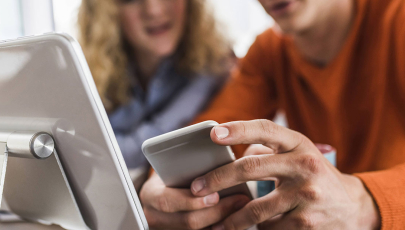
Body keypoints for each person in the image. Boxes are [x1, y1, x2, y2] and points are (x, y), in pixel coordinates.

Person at [140, 0, 405, 229]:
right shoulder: (269, 51)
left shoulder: (396, 20)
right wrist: (163, 186)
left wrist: (365, 203)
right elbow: (208, 131)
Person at [77, 0, 233, 176]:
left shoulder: (212, 64)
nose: (154, 10)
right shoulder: (89, 72)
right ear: (106, 13)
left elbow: (145, 147)